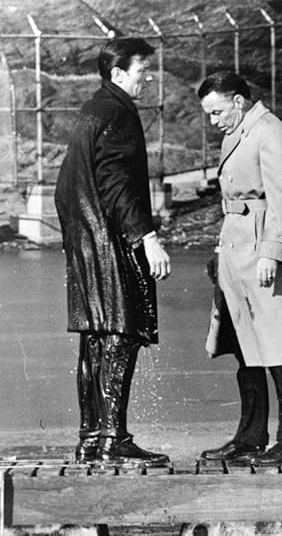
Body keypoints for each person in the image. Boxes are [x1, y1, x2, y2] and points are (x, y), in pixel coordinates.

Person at [55, 37, 171, 465]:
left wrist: (78, 239)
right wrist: (147, 238)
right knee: (120, 336)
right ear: (119, 74)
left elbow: (64, 188)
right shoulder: (119, 113)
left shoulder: (91, 110)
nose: (150, 78)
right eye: (143, 70)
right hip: (111, 243)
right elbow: (118, 183)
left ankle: (91, 439)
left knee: (95, 340)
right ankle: (113, 440)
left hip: (86, 244)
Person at [198, 71, 282, 466]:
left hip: (261, 250)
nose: (214, 121)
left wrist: (271, 253)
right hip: (236, 249)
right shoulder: (237, 132)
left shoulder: (271, 133)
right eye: (209, 115)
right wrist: (221, 252)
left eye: (217, 112)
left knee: (276, 346)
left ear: (238, 100)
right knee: (245, 346)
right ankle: (251, 435)